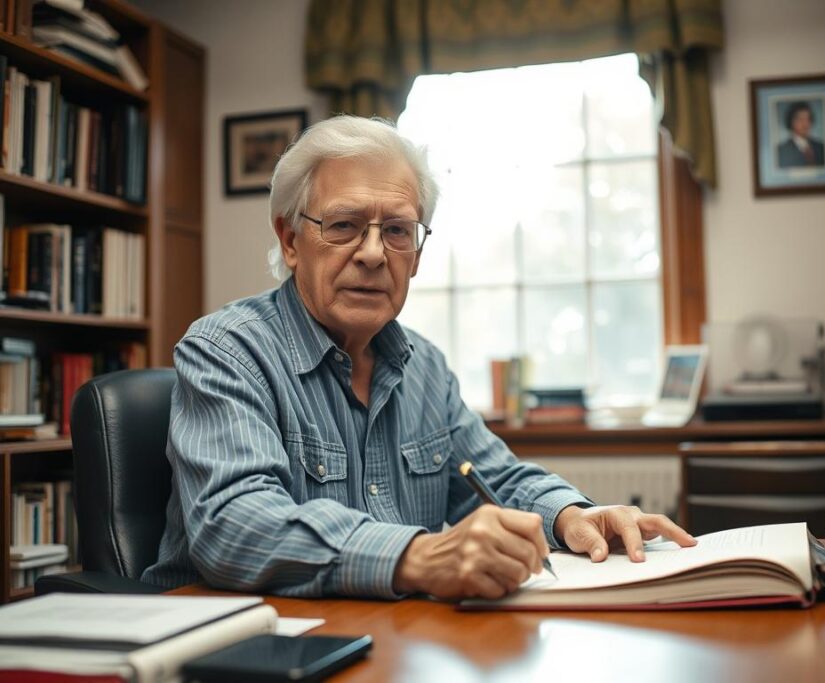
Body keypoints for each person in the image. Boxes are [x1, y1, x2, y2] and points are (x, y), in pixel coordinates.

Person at [141, 115, 696, 600]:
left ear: (418, 253)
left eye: (399, 231)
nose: (374, 253)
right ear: (290, 241)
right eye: (343, 226)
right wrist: (418, 558)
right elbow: (234, 526)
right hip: (236, 648)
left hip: (387, 640)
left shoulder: (424, 366)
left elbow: (494, 477)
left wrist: (570, 515)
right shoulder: (227, 350)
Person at [776, 101, 825, 168]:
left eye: (808, 119)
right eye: (800, 119)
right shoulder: (781, 151)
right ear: (791, 121)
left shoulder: (821, 147)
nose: (805, 124)